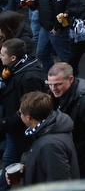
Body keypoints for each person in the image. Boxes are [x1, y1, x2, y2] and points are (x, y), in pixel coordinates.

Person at [0, 39, 46, 176]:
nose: (0, 57)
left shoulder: (29, 78)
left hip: (18, 127)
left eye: (2, 55)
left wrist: (5, 122)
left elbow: (29, 108)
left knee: (10, 158)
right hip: (11, 122)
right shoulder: (15, 67)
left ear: (13, 58)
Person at [13, 91, 80, 185]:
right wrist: (24, 165)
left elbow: (59, 183)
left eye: (20, 113)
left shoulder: (50, 145)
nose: (20, 116)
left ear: (28, 116)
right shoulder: (49, 129)